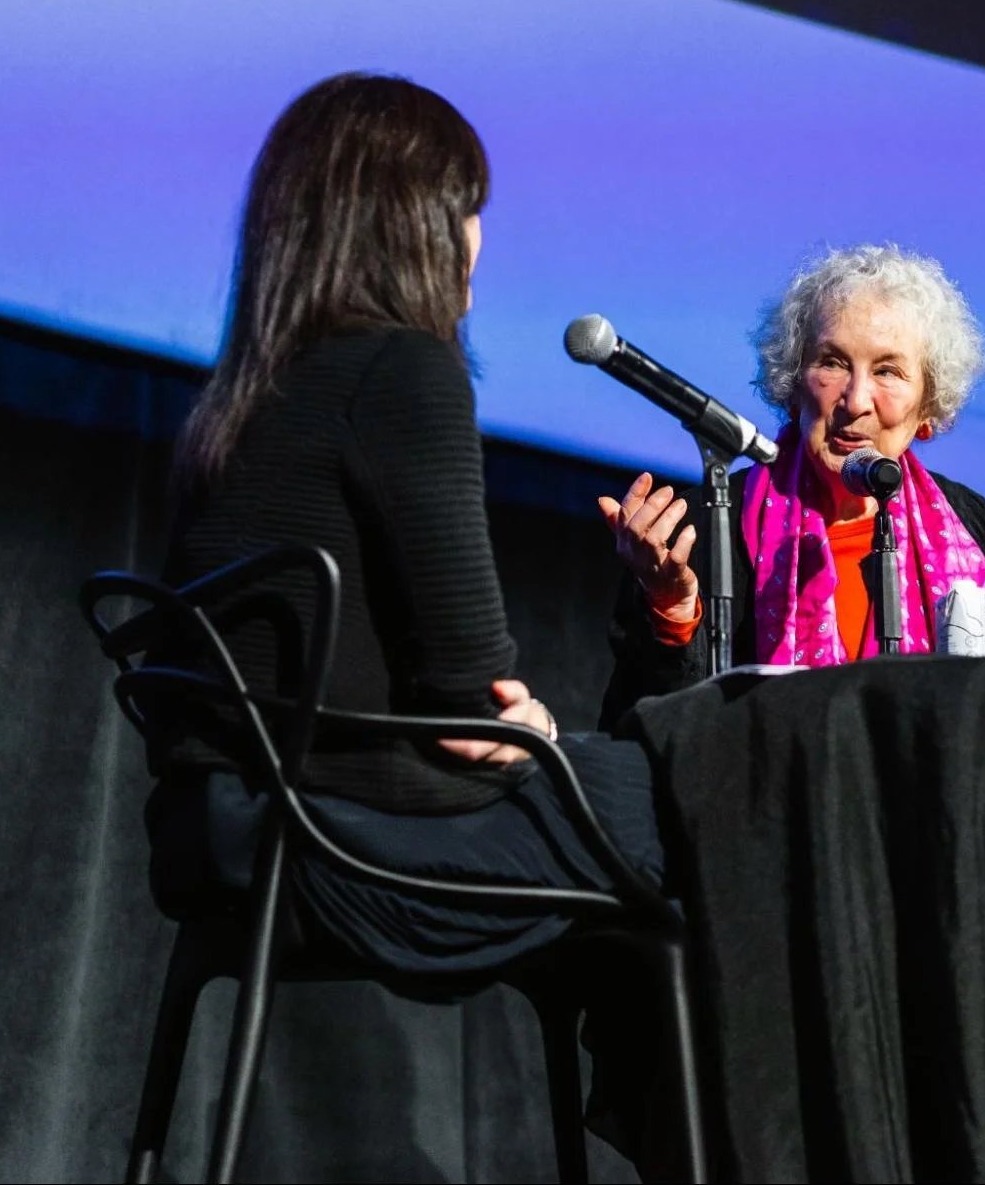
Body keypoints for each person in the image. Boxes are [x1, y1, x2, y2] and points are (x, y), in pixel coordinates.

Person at [146, 72, 663, 977]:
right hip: (331, 843)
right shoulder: (404, 371)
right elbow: (472, 706)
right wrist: (533, 730)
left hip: (208, 828)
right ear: (413, 224)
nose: (478, 238)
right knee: (686, 799)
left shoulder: (245, 392)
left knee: (631, 798)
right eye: (467, 209)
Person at [599, 243, 985, 727]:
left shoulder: (974, 529)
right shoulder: (711, 525)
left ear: (928, 409)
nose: (856, 400)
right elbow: (640, 739)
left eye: (888, 372)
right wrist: (671, 613)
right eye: (832, 363)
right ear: (793, 380)